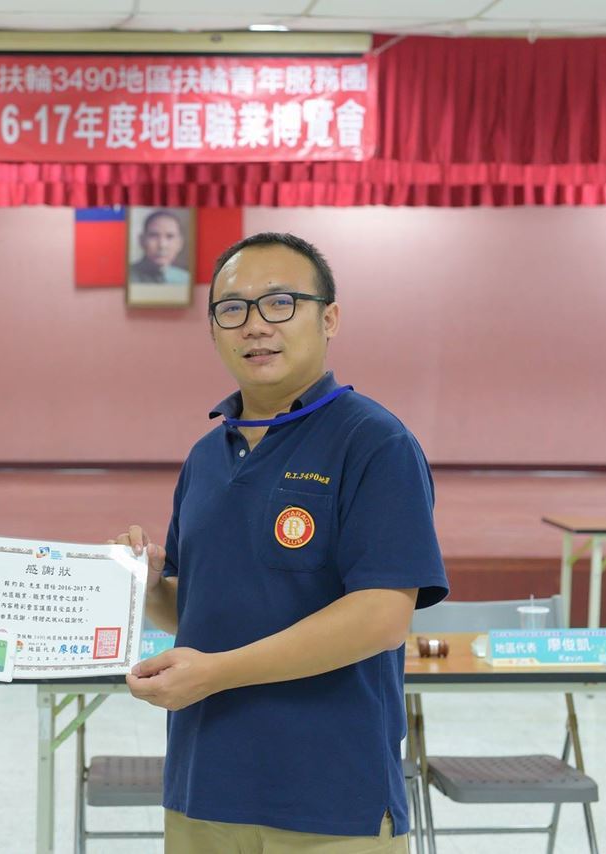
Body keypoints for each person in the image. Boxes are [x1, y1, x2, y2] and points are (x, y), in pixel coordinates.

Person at [116, 232, 448, 852]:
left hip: (330, 799)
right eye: (232, 309)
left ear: (330, 318)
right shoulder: (207, 456)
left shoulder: (374, 442)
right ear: (213, 330)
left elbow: (382, 616)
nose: (254, 325)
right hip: (202, 788)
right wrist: (146, 585)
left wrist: (217, 673)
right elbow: (197, 608)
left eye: (279, 302)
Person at [128, 209, 190, 284]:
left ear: (180, 243)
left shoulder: (185, 279)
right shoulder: (127, 276)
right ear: (141, 240)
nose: (162, 245)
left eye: (170, 236)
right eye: (154, 236)